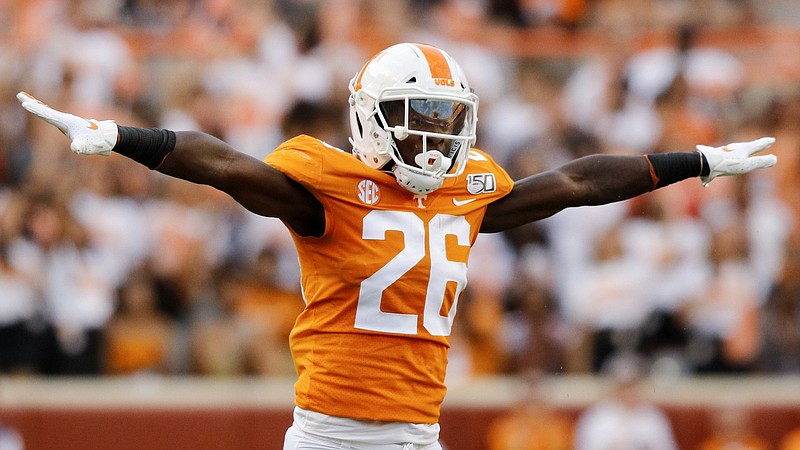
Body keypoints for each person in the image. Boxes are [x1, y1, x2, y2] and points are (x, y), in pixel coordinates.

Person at [16, 42, 776, 450]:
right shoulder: (330, 190)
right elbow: (225, 166)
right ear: (374, 119)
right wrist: (120, 137)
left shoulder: (465, 193)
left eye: (448, 119)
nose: (437, 136)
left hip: (420, 434)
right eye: (419, 116)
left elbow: (576, 181)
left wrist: (696, 161)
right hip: (333, 440)